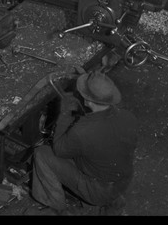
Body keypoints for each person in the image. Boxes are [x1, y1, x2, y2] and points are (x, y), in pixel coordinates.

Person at [31, 70, 138, 214]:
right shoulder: (128, 117)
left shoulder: (82, 131)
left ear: (87, 101)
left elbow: (59, 150)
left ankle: (54, 205)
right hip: (123, 180)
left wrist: (64, 114)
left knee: (42, 153)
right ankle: (113, 200)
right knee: (94, 152)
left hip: (98, 190)